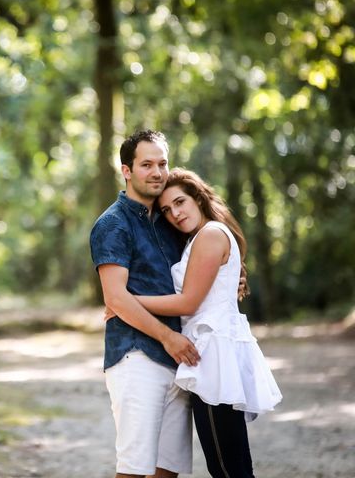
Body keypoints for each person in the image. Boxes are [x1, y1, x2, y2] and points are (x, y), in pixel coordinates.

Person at [107, 167, 283, 478]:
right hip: (208, 352)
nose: (174, 213)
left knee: (228, 468)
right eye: (166, 209)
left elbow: (188, 301)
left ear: (197, 198)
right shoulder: (198, 239)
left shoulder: (211, 234)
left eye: (180, 202)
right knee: (229, 463)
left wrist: (124, 302)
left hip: (215, 356)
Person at [90, 129, 200, 478]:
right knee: (135, 469)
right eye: (146, 164)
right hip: (135, 358)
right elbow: (116, 298)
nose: (156, 172)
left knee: (168, 470)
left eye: (162, 163)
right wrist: (167, 337)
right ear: (127, 170)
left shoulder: (172, 220)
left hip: (178, 361)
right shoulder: (112, 224)